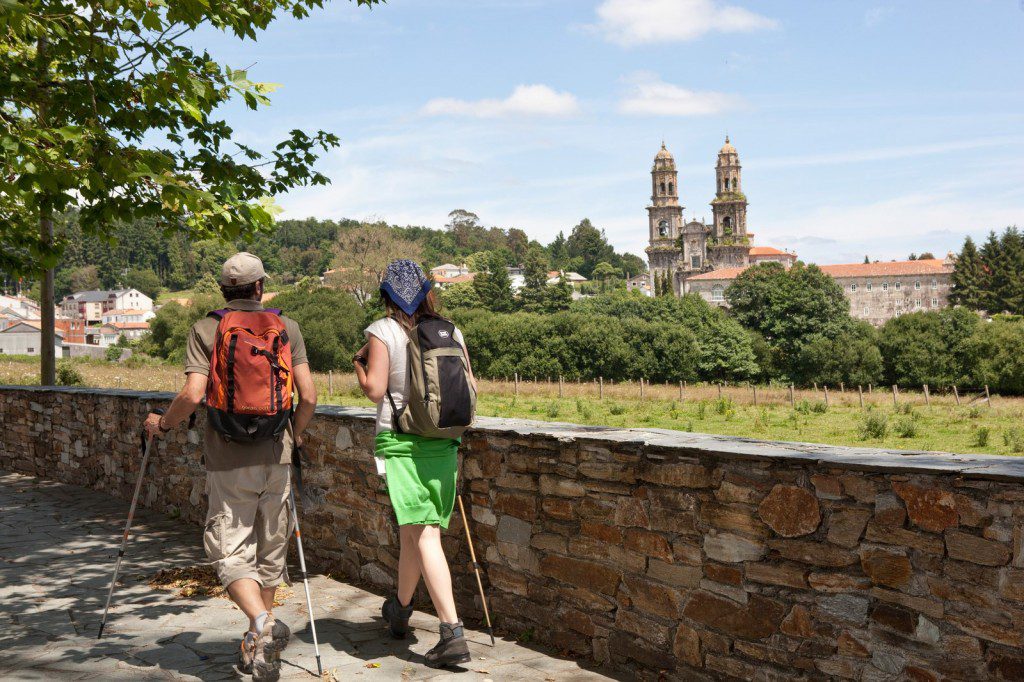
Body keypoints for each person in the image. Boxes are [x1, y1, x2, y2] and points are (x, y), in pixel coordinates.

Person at [143, 252, 317, 682]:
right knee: (270, 553)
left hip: (227, 459)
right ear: (260, 287)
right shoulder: (287, 327)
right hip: (276, 455)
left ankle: (261, 625)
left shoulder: (206, 329)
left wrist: (161, 424)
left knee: (229, 552)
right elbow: (309, 397)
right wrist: (293, 436)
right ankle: (262, 650)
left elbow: (193, 394)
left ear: (224, 290)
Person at [353, 259, 477, 668]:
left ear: (387, 295)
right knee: (412, 531)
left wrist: (358, 365)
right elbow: (471, 385)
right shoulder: (450, 330)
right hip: (443, 441)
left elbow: (375, 390)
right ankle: (400, 610)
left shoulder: (382, 331)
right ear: (427, 292)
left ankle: (451, 632)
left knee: (424, 534)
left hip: (402, 442)